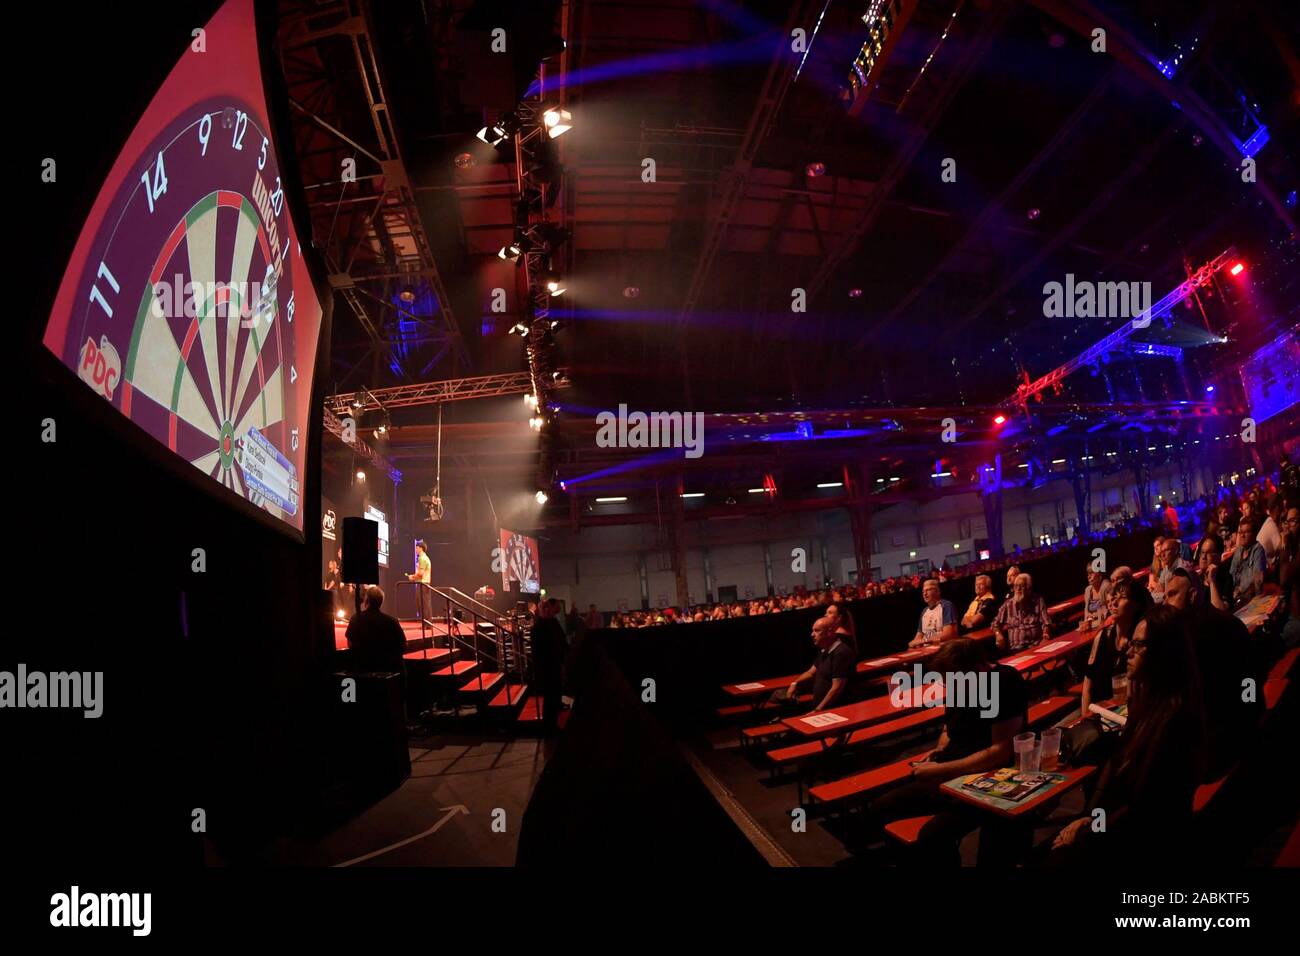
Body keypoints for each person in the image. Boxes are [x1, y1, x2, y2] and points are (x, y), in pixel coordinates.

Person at [1051, 605, 1207, 863]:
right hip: (1123, 827)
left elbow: (1147, 810)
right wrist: (1089, 818)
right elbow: (1115, 769)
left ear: (1163, 653)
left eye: (1139, 645)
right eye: (1130, 643)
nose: (1128, 651)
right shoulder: (1147, 706)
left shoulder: (1174, 719)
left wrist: (1089, 829)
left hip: (1148, 843)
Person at [867, 638, 1029, 864]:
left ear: (975, 668)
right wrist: (939, 750)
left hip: (986, 779)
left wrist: (940, 769)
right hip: (951, 772)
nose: (948, 685)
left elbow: (1000, 752)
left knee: (932, 836)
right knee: (881, 808)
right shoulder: (960, 683)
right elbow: (949, 729)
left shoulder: (1004, 682)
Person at [786, 617, 855, 713]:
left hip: (834, 710)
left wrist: (817, 710)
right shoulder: (825, 651)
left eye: (817, 631)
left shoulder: (841, 652)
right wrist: (794, 683)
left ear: (829, 632)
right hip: (820, 707)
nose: (812, 634)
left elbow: (837, 688)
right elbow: (811, 672)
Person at [345, 586, 407, 674]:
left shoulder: (356, 618)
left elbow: (350, 643)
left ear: (367, 600)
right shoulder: (391, 621)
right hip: (387, 668)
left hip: (363, 667)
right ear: (381, 602)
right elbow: (403, 646)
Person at [531, 599, 568, 735]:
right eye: (544, 608)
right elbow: (538, 653)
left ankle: (553, 724)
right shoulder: (538, 627)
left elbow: (561, 641)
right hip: (547, 668)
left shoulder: (551, 623)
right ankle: (549, 727)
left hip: (555, 664)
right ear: (540, 610)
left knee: (555, 696)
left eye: (548, 608)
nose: (547, 610)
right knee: (550, 698)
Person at [992, 572, 1051, 654]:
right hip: (1016, 649)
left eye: (1022, 586)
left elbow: (1046, 622)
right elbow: (995, 623)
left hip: (1037, 645)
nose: (1018, 589)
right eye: (1016, 586)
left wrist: (1045, 635)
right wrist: (998, 634)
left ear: (1029, 588)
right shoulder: (1008, 604)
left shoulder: (1038, 600)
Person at [1228, 519, 1267, 608]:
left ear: (1254, 534)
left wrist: (1240, 592)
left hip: (1251, 600)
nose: (1242, 535)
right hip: (1236, 598)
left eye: (1246, 532)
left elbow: (1257, 581)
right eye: (1241, 532)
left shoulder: (1258, 549)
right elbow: (1231, 575)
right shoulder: (1238, 551)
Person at [909, 579, 957, 647]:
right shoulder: (924, 611)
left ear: (937, 591)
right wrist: (912, 644)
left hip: (944, 648)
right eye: (923, 592)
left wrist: (924, 641)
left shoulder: (946, 606)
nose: (925, 594)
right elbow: (919, 635)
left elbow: (948, 633)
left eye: (928, 590)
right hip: (926, 649)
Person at [406, 540, 432, 621]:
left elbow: (420, 574)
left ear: (421, 548)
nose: (416, 550)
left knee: (422, 604)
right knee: (425, 604)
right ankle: (427, 623)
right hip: (425, 583)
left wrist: (412, 577)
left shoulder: (422, 558)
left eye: (417, 548)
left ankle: (426, 623)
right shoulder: (426, 558)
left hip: (423, 584)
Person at [1256, 494, 1285, 566]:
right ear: (1277, 508)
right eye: (1283, 506)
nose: (1285, 509)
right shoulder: (1271, 526)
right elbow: (1283, 548)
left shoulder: (1269, 521)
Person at [1080, 565, 1111, 631]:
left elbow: (1107, 613)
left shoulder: (1105, 587)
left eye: (1092, 573)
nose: (1089, 576)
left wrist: (1092, 619)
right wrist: (1087, 620)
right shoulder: (1088, 590)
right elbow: (1086, 611)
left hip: (1105, 626)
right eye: (1088, 574)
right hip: (1091, 625)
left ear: (1100, 575)